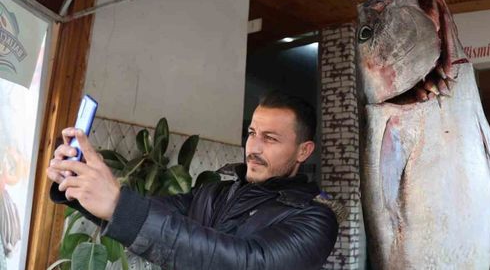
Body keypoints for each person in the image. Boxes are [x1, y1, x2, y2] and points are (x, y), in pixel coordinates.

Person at [47, 91, 339, 269]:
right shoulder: (214, 192)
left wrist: (117, 204)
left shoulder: (315, 218)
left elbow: (246, 262)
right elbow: (151, 210)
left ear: (304, 150)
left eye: (270, 138)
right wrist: (78, 186)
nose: (254, 148)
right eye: (251, 133)